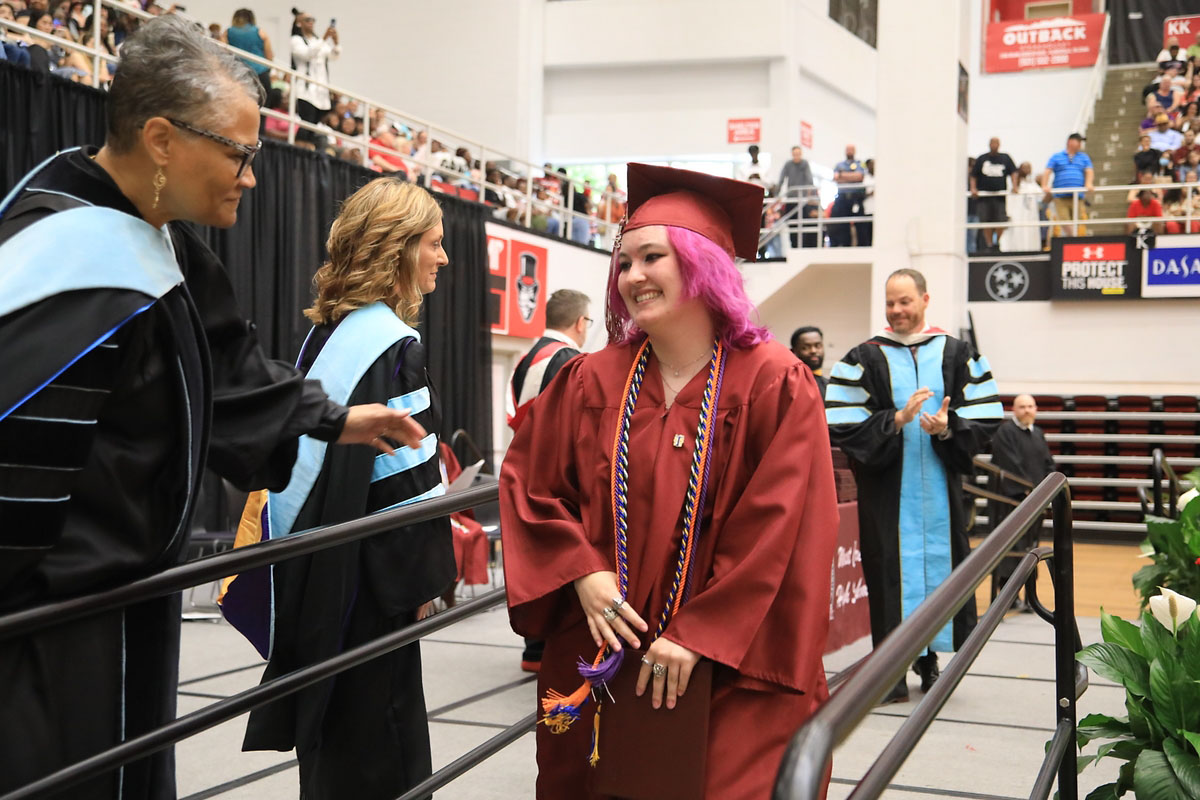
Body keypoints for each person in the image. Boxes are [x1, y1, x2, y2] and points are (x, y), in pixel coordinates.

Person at [0, 16, 424, 800]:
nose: (252, 175)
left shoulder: (155, 237)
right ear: (161, 139)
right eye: (239, 152)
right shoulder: (64, 259)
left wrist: (336, 420)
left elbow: (227, 372)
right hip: (53, 631)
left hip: (126, 609)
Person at [500, 163, 837, 799]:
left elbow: (781, 524)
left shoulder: (774, 382)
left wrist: (701, 633)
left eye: (651, 257)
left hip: (730, 666)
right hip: (607, 654)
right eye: (623, 263)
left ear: (701, 263)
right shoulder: (590, 381)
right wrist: (581, 570)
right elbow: (530, 485)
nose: (631, 277)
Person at [237, 179, 454, 800]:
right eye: (434, 245)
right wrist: (423, 584)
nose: (443, 258)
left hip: (320, 565)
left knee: (333, 734)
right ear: (398, 249)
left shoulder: (328, 336)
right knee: (380, 732)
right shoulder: (395, 345)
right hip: (372, 585)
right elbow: (406, 485)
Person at [825, 268, 1003, 705]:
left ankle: (929, 661)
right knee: (889, 576)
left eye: (905, 301)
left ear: (925, 300)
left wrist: (947, 427)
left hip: (941, 492)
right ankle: (890, 670)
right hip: (888, 497)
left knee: (941, 576)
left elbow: (986, 417)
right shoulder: (864, 358)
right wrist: (896, 421)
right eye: (890, 302)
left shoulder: (957, 353)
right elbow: (841, 423)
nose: (896, 310)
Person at [505, 288, 591, 673]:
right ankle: (551, 646)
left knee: (533, 551)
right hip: (558, 473)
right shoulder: (573, 362)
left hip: (523, 466)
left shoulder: (525, 357)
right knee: (561, 553)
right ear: (579, 323)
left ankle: (534, 647)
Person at [987, 395, 1055, 611]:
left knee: (1030, 548)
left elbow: (1048, 463)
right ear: (1014, 410)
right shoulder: (1005, 433)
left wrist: (1048, 489)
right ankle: (1007, 595)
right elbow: (1010, 466)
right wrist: (1028, 491)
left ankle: (1029, 596)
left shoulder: (1038, 433)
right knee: (1010, 549)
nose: (1027, 410)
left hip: (1034, 502)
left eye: (1030, 406)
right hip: (1011, 501)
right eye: (1022, 407)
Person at [290, 9, 339, 146]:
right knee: (307, 122)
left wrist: (335, 42)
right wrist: (324, 39)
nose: (311, 22)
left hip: (320, 89)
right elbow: (306, 54)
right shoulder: (296, 40)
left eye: (312, 19)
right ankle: (299, 151)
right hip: (305, 88)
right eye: (307, 20)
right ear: (299, 23)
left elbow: (333, 56)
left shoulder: (317, 41)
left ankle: (307, 151)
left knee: (314, 124)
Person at [1040, 133, 1093, 246]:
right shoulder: (1057, 156)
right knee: (1064, 220)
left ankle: (1073, 241)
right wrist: (1045, 185)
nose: (1080, 144)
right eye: (1078, 141)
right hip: (1060, 196)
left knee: (1077, 221)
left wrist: (1088, 183)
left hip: (1077, 196)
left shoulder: (1084, 157)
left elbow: (1089, 171)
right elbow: (1047, 171)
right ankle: (1074, 241)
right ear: (1070, 142)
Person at [970, 138, 1019, 253]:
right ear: (989, 145)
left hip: (1000, 196)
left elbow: (1014, 172)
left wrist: (1015, 186)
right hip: (984, 195)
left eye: (996, 143)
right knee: (985, 220)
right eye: (992, 143)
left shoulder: (1005, 158)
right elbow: (973, 175)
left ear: (999, 145)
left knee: (1000, 220)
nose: (994, 145)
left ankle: (997, 241)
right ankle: (989, 243)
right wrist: (973, 188)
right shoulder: (982, 158)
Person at [223, 8, 273, 95]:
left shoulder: (227, 32)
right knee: (264, 105)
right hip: (260, 74)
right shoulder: (260, 32)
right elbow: (269, 56)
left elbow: (223, 54)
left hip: (237, 74)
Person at [1000, 162, 1043, 253]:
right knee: (1016, 236)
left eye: (1029, 167)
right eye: (1025, 167)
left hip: (1030, 217)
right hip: (1017, 216)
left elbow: (1042, 196)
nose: (1027, 170)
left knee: (1030, 236)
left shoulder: (1032, 184)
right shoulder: (1014, 185)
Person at [778, 145, 813, 247]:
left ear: (801, 154)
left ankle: (802, 246)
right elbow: (781, 179)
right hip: (791, 200)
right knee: (792, 225)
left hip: (802, 201)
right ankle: (794, 246)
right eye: (794, 154)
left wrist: (808, 196)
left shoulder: (805, 164)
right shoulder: (788, 165)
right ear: (792, 154)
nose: (796, 156)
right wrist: (777, 195)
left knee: (803, 225)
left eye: (798, 154)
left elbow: (809, 180)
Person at [830, 144, 866, 246]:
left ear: (854, 151)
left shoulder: (861, 163)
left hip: (856, 197)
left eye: (851, 150)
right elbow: (836, 177)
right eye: (848, 150)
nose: (849, 152)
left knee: (860, 224)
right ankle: (845, 244)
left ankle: (861, 246)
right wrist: (851, 176)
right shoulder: (839, 165)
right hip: (842, 198)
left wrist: (842, 175)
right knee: (842, 224)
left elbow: (860, 176)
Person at [791, 325, 827, 398]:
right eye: (805, 347)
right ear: (794, 351)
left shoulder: (830, 385)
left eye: (818, 346)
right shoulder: (790, 384)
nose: (813, 351)